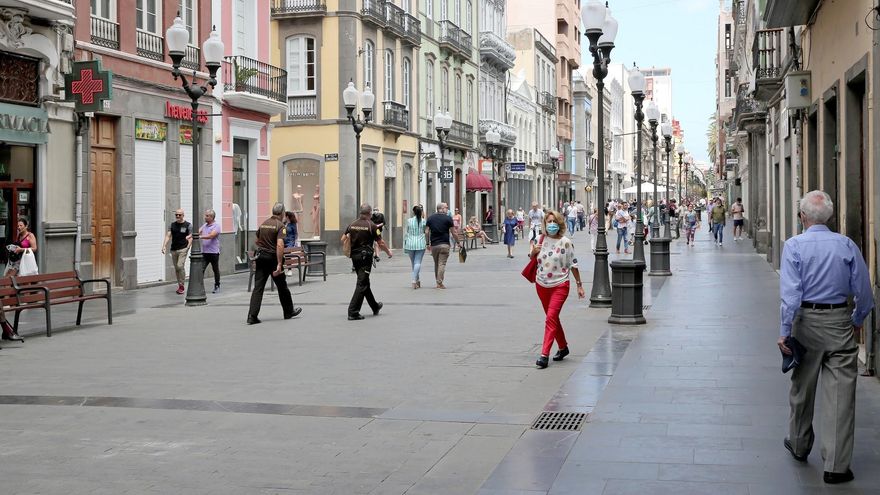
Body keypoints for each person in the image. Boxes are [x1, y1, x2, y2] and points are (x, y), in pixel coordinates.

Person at [778, 191, 873, 485]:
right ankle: (836, 465)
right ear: (829, 217)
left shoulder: (794, 246)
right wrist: (855, 321)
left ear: (802, 217)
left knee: (802, 388)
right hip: (839, 321)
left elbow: (791, 296)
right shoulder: (846, 245)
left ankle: (799, 442)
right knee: (841, 395)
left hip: (805, 323)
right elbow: (865, 293)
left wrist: (785, 331)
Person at [529, 209, 585, 369]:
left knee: (550, 318)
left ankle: (544, 355)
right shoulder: (541, 239)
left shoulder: (566, 242)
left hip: (560, 285)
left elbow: (573, 264)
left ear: (559, 224)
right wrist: (533, 252)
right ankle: (563, 347)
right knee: (552, 318)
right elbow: (533, 259)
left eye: (554, 222)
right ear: (545, 224)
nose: (551, 225)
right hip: (541, 285)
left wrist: (579, 285)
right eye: (549, 222)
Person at [247, 203, 301, 325]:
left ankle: (252, 316)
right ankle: (288, 311)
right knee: (282, 286)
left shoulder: (264, 223)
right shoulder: (280, 226)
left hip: (261, 257)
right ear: (282, 213)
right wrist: (279, 263)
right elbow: (280, 245)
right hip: (273, 259)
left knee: (258, 288)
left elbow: (257, 240)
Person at [344, 204, 392, 320]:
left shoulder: (352, 224)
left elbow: (343, 238)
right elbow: (380, 242)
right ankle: (353, 311)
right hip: (365, 258)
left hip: (354, 257)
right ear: (370, 213)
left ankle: (375, 306)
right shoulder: (372, 226)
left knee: (364, 282)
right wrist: (388, 252)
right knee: (362, 283)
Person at [161, 209, 192, 294]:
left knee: (179, 266)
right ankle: (180, 285)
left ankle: (182, 284)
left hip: (183, 249)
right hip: (174, 249)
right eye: (176, 215)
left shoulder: (188, 225)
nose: (178, 216)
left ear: (183, 215)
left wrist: (188, 247)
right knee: (177, 268)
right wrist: (164, 246)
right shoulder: (172, 225)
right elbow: (168, 236)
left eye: (179, 215)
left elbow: (191, 237)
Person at [426, 203, 455, 289]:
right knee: (442, 264)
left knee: (436, 264)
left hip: (434, 245)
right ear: (441, 208)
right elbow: (454, 232)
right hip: (445, 244)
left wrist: (427, 243)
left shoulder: (430, 218)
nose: (447, 209)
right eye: (446, 207)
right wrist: (458, 243)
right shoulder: (448, 218)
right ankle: (439, 283)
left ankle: (438, 282)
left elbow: (427, 231)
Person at [404, 204, 427, 289]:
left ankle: (417, 279)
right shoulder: (424, 221)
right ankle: (414, 280)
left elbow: (406, 232)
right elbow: (425, 231)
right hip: (420, 243)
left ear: (413, 212)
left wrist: (405, 245)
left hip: (410, 243)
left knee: (413, 263)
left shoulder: (409, 220)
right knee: (417, 262)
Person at [199, 209, 221, 294]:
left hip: (214, 253)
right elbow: (198, 232)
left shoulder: (216, 226)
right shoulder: (205, 225)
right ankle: (200, 287)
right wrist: (189, 236)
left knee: (215, 270)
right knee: (201, 269)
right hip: (205, 252)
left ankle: (217, 285)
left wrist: (201, 237)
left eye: (207, 216)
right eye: (205, 215)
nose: (205, 217)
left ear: (211, 217)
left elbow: (211, 236)